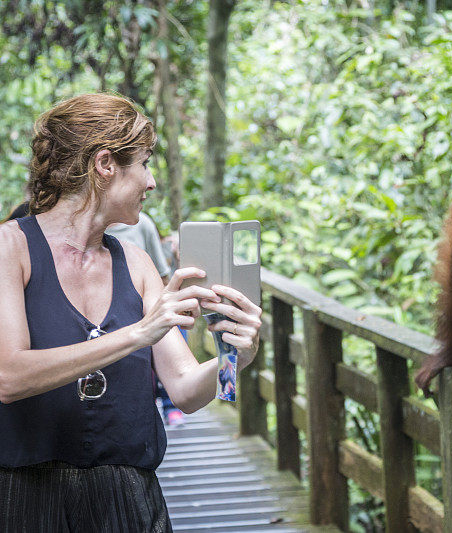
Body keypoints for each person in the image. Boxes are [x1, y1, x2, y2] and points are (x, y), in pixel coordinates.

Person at [0, 93, 262, 531]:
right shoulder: (12, 248)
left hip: (129, 499)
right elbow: (9, 378)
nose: (151, 180)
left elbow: (184, 390)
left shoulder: (137, 264)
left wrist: (236, 356)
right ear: (105, 164)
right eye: (143, 163)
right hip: (27, 496)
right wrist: (139, 333)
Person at [106, 212, 186, 426]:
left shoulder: (143, 224)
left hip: (146, 308)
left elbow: (162, 275)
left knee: (173, 339)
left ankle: (170, 406)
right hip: (114, 318)